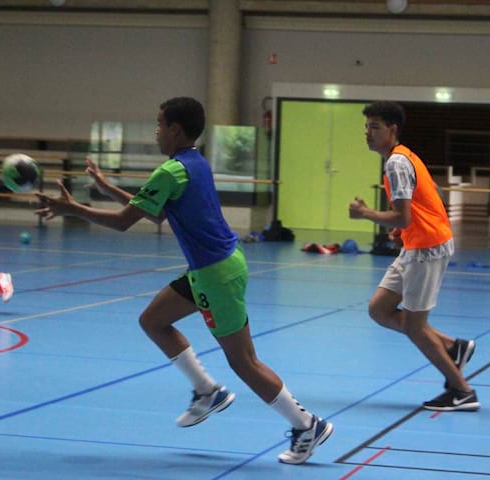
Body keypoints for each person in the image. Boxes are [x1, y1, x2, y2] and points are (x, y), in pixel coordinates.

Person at [35, 97, 332, 465]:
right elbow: (156, 213)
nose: (157, 130)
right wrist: (107, 186)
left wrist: (71, 209)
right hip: (211, 268)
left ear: (175, 129)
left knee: (244, 362)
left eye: (160, 124)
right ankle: (206, 390)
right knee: (153, 321)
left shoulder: (171, 171)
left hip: (215, 275)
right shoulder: (192, 164)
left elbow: (124, 221)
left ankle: (307, 425)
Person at [349, 101, 479, 412]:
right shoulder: (403, 157)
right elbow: (425, 201)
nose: (368, 133)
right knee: (379, 309)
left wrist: (366, 213)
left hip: (426, 249)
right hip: (415, 243)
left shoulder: (397, 163)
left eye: (375, 127)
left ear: (392, 130)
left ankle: (462, 391)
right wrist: (402, 230)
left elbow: (403, 216)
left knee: (415, 326)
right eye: (366, 126)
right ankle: (453, 347)